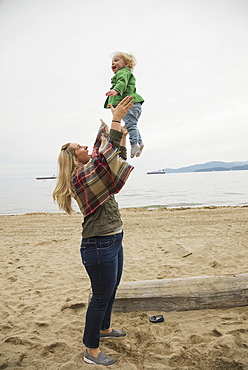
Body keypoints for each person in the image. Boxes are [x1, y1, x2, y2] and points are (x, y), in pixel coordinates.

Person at [52, 96, 134, 367]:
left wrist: (121, 133)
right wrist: (114, 121)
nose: (86, 146)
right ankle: (91, 349)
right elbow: (103, 163)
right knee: (100, 296)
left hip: (114, 237)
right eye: (80, 147)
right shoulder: (80, 177)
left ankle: (104, 329)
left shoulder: (90, 169)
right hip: (98, 244)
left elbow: (114, 160)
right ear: (73, 159)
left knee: (111, 290)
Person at [104, 52, 144, 158]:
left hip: (130, 104)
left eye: (116, 60)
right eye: (112, 61)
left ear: (126, 64)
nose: (113, 63)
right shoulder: (124, 73)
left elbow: (122, 82)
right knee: (132, 125)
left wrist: (116, 90)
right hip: (134, 104)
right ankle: (140, 142)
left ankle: (134, 144)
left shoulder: (123, 73)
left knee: (131, 126)